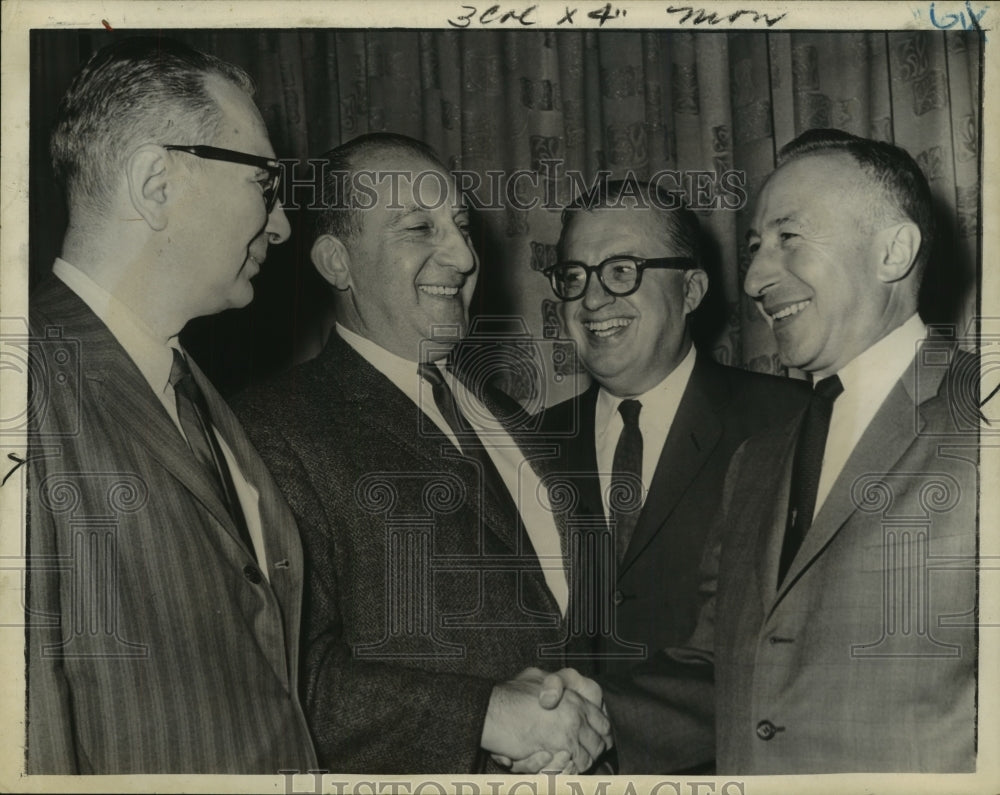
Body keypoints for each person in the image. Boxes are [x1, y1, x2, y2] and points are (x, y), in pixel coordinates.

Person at [538, 128, 980, 773]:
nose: (754, 279)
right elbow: (723, 666)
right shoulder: (761, 459)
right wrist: (578, 722)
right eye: (754, 247)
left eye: (789, 239)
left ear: (893, 250)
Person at [231, 132, 610, 774]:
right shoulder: (269, 430)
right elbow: (281, 677)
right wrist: (484, 716)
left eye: (461, 225)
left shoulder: (507, 414)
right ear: (337, 263)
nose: (462, 255)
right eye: (419, 228)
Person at [26, 37, 316, 773]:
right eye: (264, 182)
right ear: (156, 181)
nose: (280, 225)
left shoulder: (197, 394)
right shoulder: (21, 382)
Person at [538, 181, 808, 679]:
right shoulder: (526, 445)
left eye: (622, 271)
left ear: (691, 291)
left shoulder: (789, 422)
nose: (592, 300)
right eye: (573, 275)